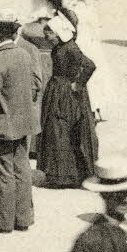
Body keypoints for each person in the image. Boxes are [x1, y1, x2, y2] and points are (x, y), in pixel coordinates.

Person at [0, 11, 43, 233]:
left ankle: (4, 221)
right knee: (22, 170)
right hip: (24, 123)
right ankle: (23, 217)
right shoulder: (24, 54)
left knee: (3, 173)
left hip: (3, 124)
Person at [37, 14, 98, 190]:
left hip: (67, 95)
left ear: (57, 33)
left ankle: (69, 175)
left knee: (63, 131)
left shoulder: (71, 48)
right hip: (57, 91)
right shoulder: (59, 48)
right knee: (55, 131)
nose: (46, 37)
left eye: (48, 33)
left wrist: (77, 84)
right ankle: (58, 175)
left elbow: (90, 65)